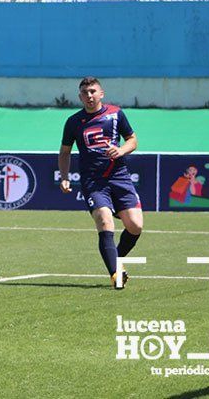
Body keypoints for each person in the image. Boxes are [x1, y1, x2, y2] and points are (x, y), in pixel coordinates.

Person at [58, 77, 143, 289]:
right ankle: (116, 276)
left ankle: (116, 258)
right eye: (85, 92)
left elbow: (132, 139)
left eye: (93, 91)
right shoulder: (73, 122)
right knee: (104, 221)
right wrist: (65, 176)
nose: (89, 95)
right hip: (93, 181)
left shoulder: (115, 114)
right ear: (80, 97)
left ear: (101, 94)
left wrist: (121, 150)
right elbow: (65, 152)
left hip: (119, 176)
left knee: (135, 226)